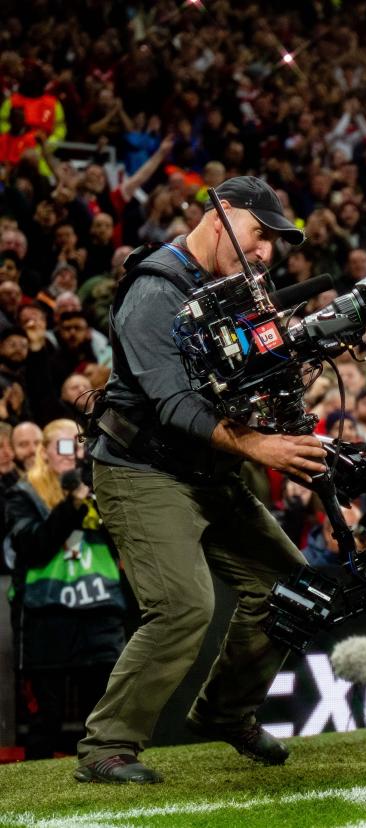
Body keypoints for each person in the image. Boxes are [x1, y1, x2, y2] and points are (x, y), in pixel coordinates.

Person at [75, 176, 328, 783]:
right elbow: (174, 405)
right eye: (258, 234)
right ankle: (106, 747)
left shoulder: (233, 289)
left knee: (290, 586)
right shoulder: (154, 291)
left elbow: (243, 380)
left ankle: (225, 713)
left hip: (208, 471)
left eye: (273, 240)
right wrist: (262, 446)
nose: (266, 251)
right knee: (184, 605)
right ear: (222, 216)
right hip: (142, 471)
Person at [5, 420, 124, 759]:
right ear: (44, 451)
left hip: (99, 610)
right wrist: (71, 504)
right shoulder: (23, 494)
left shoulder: (99, 486)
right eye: (66, 446)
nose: (77, 453)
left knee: (101, 710)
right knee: (46, 719)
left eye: (80, 444)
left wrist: (94, 496)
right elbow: (34, 547)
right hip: (46, 618)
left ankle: (106, 764)